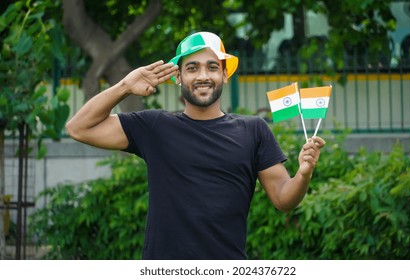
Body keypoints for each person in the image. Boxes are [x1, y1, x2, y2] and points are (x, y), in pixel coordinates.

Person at [66, 31, 326, 260]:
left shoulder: (253, 130)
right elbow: (79, 127)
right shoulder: (155, 127)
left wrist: (303, 174)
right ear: (178, 76)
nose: (203, 76)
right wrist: (124, 86)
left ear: (224, 74)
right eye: (192, 68)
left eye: (212, 67)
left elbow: (283, 199)